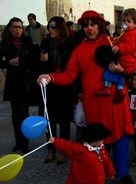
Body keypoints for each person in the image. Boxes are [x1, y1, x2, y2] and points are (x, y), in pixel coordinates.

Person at [38, 10, 135, 184]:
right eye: (86, 25)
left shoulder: (112, 42)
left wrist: (123, 70)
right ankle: (101, 172)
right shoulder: (80, 49)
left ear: (100, 25)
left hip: (115, 101)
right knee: (98, 142)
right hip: (94, 104)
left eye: (93, 24)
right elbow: (69, 75)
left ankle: (124, 174)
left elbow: (131, 62)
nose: (89, 28)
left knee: (120, 138)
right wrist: (51, 77)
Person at [0, 17, 41, 153]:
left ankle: (24, 143)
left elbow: (36, 60)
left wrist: (26, 63)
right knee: (15, 114)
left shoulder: (28, 41)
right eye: (15, 27)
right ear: (10, 28)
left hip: (25, 83)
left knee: (24, 113)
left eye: (19, 27)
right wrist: (8, 63)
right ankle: (18, 142)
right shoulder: (4, 43)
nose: (17, 29)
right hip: (12, 83)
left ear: (22, 29)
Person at [39, 16, 76, 165]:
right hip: (49, 89)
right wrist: (42, 61)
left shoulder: (69, 45)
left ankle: (63, 150)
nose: (50, 30)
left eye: (53, 27)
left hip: (65, 88)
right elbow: (39, 68)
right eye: (49, 27)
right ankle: (51, 149)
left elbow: (72, 68)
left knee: (64, 122)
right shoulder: (45, 43)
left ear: (61, 28)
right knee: (49, 121)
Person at [49, 123, 116, 184]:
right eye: (102, 139)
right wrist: (55, 141)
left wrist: (111, 172)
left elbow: (107, 161)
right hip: (84, 182)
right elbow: (67, 145)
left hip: (99, 181)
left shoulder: (102, 148)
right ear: (94, 139)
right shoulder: (80, 149)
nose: (103, 141)